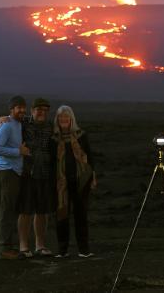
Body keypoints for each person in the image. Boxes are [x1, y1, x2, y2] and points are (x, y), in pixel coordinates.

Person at [0, 97, 56, 258]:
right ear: (32, 111)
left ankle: (40, 245)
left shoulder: (51, 126)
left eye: (45, 110)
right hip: (27, 173)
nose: (42, 113)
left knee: (42, 211)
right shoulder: (24, 123)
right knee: (25, 210)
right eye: (39, 110)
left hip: (45, 173)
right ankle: (23, 246)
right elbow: (8, 122)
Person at [52, 105, 96, 258]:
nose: (63, 119)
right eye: (61, 117)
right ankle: (62, 250)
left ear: (72, 119)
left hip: (81, 181)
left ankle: (83, 250)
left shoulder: (81, 135)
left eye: (66, 117)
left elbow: (89, 157)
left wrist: (93, 177)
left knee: (81, 215)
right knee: (61, 215)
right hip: (60, 183)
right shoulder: (54, 138)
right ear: (57, 120)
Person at [0, 95, 31, 260]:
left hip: (14, 172)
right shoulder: (7, 125)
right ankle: (4, 249)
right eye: (18, 107)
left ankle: (2, 247)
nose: (21, 110)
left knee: (7, 210)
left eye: (23, 107)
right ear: (11, 109)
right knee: (6, 210)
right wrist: (17, 152)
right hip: (6, 171)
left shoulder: (19, 123)